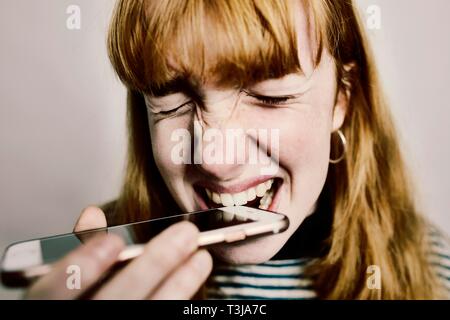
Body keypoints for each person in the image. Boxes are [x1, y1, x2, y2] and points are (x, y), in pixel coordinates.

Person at [26, 0, 450, 299]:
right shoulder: (102, 272)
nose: (215, 159)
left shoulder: (434, 272)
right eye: (172, 102)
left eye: (270, 97)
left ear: (342, 100)